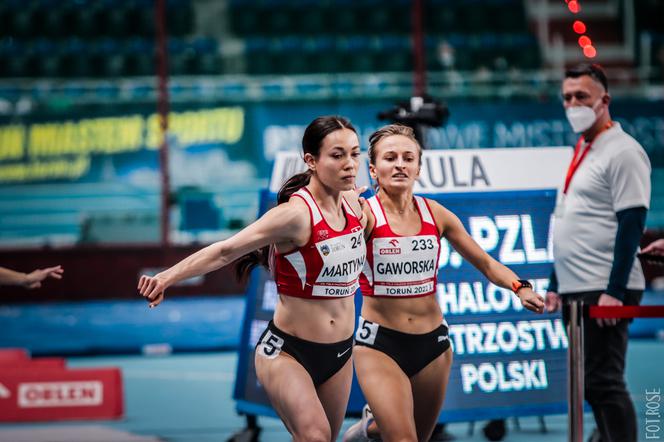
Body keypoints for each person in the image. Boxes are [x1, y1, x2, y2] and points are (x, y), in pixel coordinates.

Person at [138, 116, 367, 442]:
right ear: (311, 161)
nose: (350, 164)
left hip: (341, 352)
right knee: (315, 436)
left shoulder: (355, 205)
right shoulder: (294, 215)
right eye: (337, 155)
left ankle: (361, 434)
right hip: (288, 353)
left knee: (325, 438)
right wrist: (167, 277)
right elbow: (225, 250)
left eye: (355, 154)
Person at [342, 124, 545, 442]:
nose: (399, 165)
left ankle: (369, 428)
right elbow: (338, 240)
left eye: (408, 158)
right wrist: (346, 212)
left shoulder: (435, 213)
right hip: (380, 345)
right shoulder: (366, 214)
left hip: (433, 347)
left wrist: (521, 288)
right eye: (390, 158)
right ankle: (370, 428)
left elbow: (487, 263)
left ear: (419, 167)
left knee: (417, 438)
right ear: (372, 169)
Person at [545, 63, 651, 442]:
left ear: (604, 101)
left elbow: (631, 224)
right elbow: (570, 220)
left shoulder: (623, 151)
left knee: (603, 383)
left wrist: (615, 291)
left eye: (582, 97)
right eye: (567, 97)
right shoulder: (585, 148)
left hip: (603, 287)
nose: (573, 103)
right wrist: (556, 282)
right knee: (588, 384)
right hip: (577, 287)